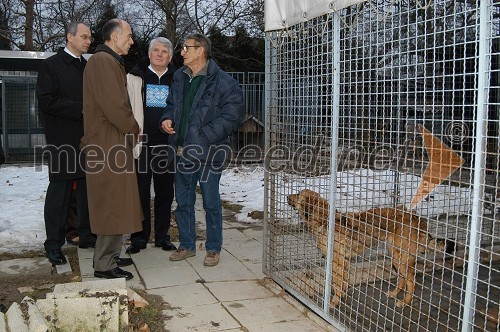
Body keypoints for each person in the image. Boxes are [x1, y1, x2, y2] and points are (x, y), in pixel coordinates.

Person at [160, 33, 244, 267]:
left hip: (208, 153)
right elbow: (171, 104)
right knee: (183, 201)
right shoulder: (179, 76)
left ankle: (213, 248)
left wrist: (203, 136)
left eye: (186, 48)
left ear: (201, 50)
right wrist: (166, 119)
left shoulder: (224, 81)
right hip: (180, 151)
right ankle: (187, 245)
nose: (182, 52)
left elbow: (232, 116)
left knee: (210, 202)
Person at [81, 18, 142, 280]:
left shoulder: (108, 61)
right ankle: (104, 265)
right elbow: (115, 107)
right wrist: (134, 128)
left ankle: (111, 255)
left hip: (112, 142)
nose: (131, 41)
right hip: (107, 144)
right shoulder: (102, 62)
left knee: (117, 201)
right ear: (114, 36)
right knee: (110, 203)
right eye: (128, 36)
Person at [36, 21, 96, 265]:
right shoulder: (51, 65)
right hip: (62, 142)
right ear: (69, 37)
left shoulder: (88, 67)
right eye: (84, 36)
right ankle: (53, 244)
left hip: (87, 141)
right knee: (59, 197)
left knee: (86, 194)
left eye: (90, 37)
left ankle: (86, 236)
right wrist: (83, 110)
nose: (88, 40)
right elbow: (47, 101)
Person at [126, 37, 177, 254]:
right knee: (140, 193)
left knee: (165, 193)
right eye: (155, 50)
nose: (159, 54)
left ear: (170, 57)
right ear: (149, 54)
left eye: (164, 51)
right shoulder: (135, 77)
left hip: (166, 145)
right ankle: (139, 238)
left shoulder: (177, 78)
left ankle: (162, 236)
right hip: (142, 144)